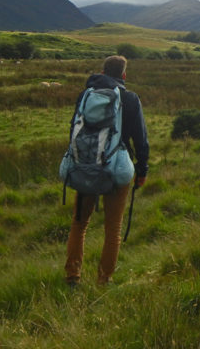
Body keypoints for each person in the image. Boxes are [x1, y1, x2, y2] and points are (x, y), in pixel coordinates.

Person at [64, 55, 149, 287]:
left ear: (102, 71)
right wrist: (142, 170)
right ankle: (104, 280)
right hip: (116, 169)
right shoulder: (130, 99)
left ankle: (73, 276)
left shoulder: (86, 95)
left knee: (79, 223)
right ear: (124, 75)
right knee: (113, 228)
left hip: (85, 166)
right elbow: (141, 140)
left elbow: (73, 128)